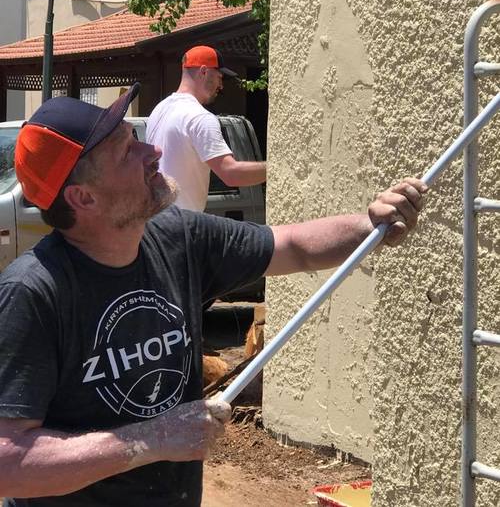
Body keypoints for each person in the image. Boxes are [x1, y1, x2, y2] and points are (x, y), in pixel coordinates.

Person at [0, 84, 427, 506]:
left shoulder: (178, 237)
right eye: (127, 150)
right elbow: (8, 463)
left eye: (136, 138)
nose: (153, 151)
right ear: (83, 197)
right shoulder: (34, 293)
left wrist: (371, 225)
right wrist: (153, 439)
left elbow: (293, 246)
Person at [146, 45, 267, 211]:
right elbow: (231, 173)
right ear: (203, 72)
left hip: (155, 220)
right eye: (219, 77)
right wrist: (276, 169)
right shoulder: (199, 117)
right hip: (181, 222)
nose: (221, 85)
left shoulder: (159, 109)